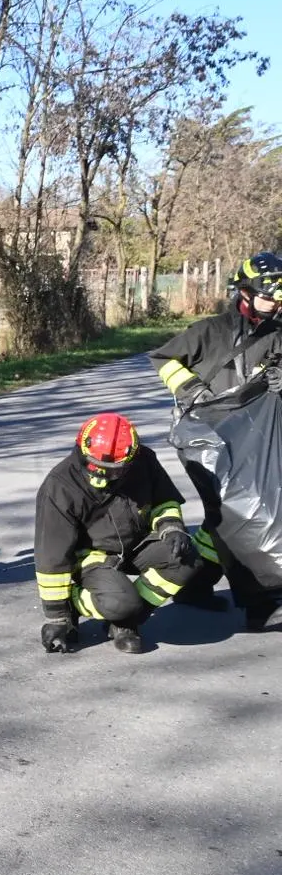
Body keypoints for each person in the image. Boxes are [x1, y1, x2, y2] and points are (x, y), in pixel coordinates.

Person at [148, 250, 282, 631]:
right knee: (235, 512)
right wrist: (189, 387)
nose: (277, 305)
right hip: (204, 441)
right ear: (245, 292)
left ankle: (193, 584)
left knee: (227, 517)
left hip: (252, 442)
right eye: (270, 296)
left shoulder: (279, 333)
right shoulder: (212, 332)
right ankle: (259, 603)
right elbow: (164, 358)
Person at [34, 413, 204, 654]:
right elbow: (51, 556)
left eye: (112, 471)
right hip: (91, 556)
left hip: (136, 544)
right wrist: (58, 618)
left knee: (187, 558)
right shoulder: (60, 486)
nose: (101, 476)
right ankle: (79, 602)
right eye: (95, 467)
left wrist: (172, 528)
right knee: (121, 603)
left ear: (131, 459)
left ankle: (125, 623)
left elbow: (164, 501)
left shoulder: (144, 460)